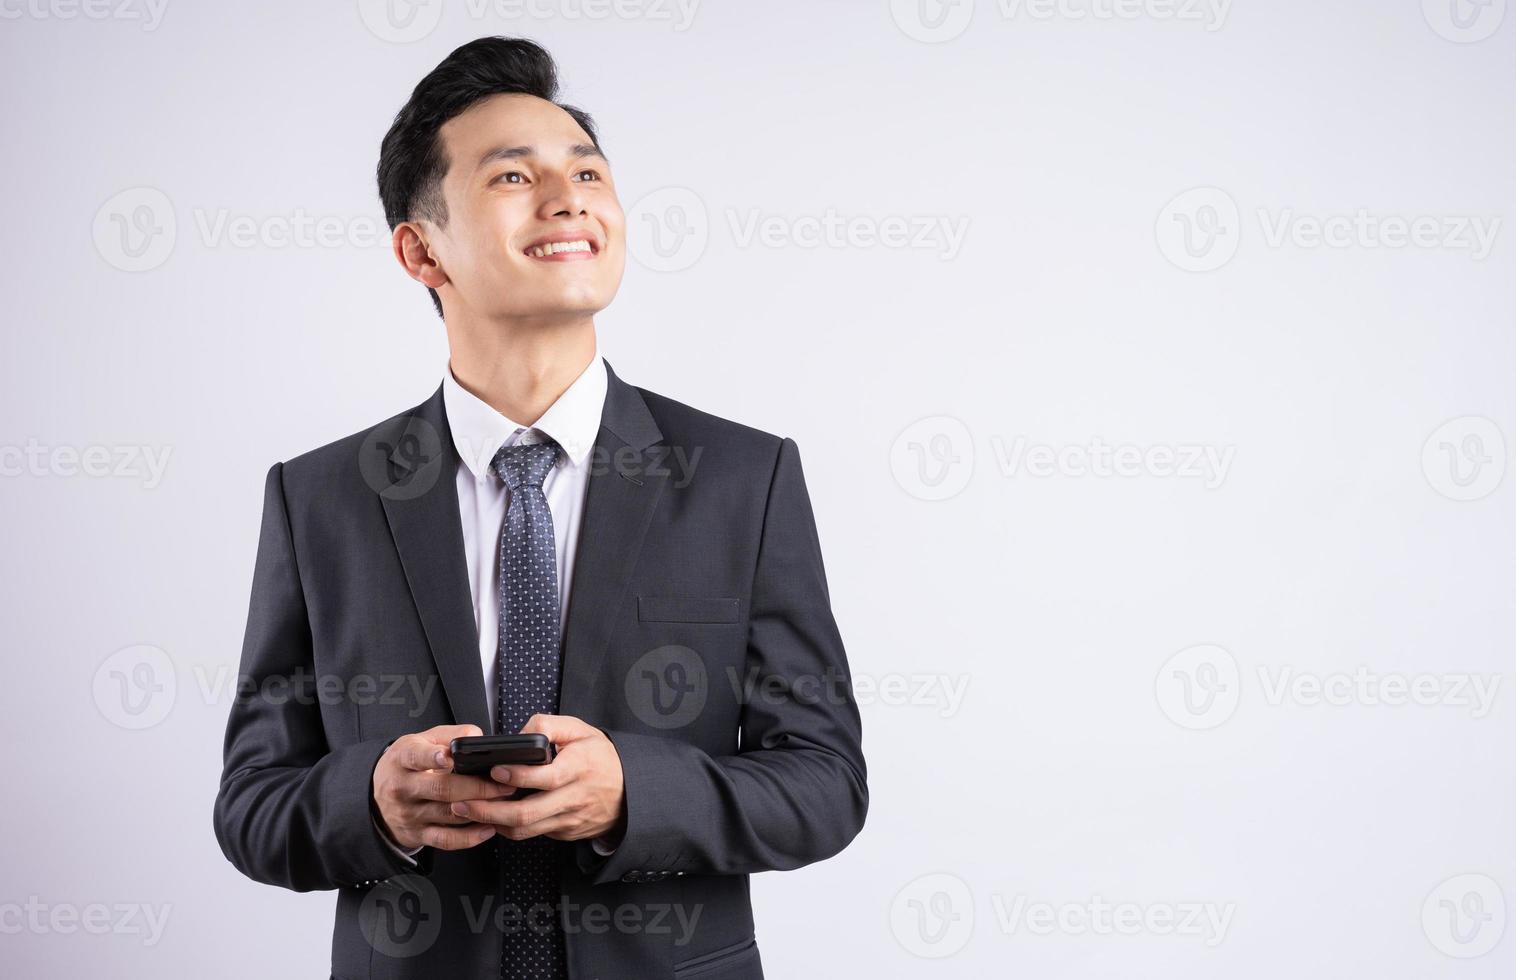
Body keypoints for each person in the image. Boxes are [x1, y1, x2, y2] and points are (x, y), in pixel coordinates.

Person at [212, 35, 867, 980]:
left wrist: (634, 792)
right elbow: (251, 808)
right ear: (419, 248)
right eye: (513, 175)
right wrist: (374, 803)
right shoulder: (322, 498)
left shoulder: (741, 477)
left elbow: (825, 783)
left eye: (588, 172)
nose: (569, 199)